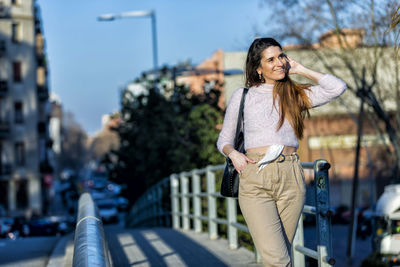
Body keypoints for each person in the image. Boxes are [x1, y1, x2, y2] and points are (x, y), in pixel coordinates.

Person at [217, 37, 346, 266]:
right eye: (271, 59)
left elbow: (337, 88)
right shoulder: (243, 96)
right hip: (256, 176)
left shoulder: (295, 96)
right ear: (258, 68)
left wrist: (300, 69)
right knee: (278, 260)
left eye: (281, 56)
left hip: (291, 177)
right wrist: (234, 154)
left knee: (280, 256)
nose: (279, 63)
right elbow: (224, 140)